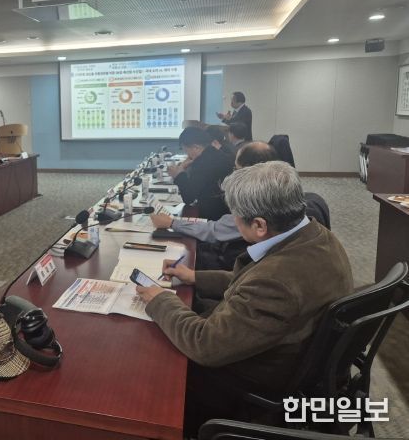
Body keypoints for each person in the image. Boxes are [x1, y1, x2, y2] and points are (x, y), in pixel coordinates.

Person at [137, 161, 353, 433]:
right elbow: (252, 282)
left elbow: (205, 345)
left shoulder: (276, 284)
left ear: (259, 225)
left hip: (253, 379)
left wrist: (159, 299)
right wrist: (194, 276)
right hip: (288, 346)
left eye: (235, 217)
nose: (233, 222)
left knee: (153, 363)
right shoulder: (315, 234)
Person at [152, 142, 278, 271]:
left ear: (248, 171)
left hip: (234, 263)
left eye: (236, 169)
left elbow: (214, 231)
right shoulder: (275, 189)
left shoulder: (254, 201)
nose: (233, 174)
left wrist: (172, 223)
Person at [167, 127, 233, 221]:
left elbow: (189, 197)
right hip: (226, 208)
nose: (187, 155)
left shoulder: (203, 163)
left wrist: (178, 175)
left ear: (196, 147)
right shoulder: (215, 153)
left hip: (215, 215)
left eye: (186, 151)